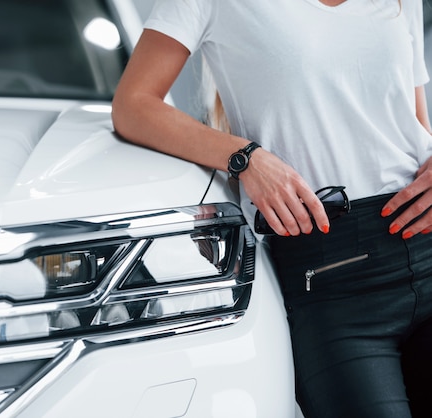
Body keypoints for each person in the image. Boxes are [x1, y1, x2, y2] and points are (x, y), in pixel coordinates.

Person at [111, 1, 432, 417]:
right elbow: (133, 105)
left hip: (424, 242)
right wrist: (243, 156)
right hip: (330, 281)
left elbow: (412, 125)